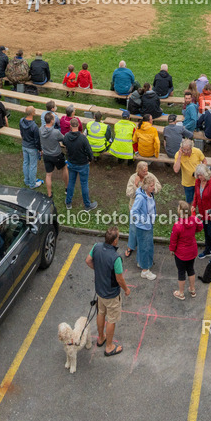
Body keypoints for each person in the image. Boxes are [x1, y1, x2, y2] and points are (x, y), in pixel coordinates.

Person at [86, 226, 130, 357]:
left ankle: (101, 338)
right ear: (115, 241)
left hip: (99, 291)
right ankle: (109, 347)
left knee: (101, 313)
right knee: (112, 319)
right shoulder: (116, 258)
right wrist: (126, 289)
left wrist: (98, 270)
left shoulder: (96, 247)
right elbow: (119, 278)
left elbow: (88, 260)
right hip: (111, 294)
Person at [169, 201, 202, 300]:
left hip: (181, 254)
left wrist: (172, 249)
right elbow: (200, 227)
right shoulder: (194, 220)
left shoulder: (177, 225)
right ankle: (192, 289)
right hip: (192, 251)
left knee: (181, 272)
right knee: (191, 269)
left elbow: (173, 240)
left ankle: (181, 293)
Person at [64, 121, 97, 211]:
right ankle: (87, 205)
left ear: (70, 126)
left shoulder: (66, 136)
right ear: (78, 125)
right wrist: (90, 160)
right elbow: (89, 151)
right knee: (84, 184)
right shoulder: (83, 138)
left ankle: (68, 202)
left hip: (71, 163)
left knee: (71, 182)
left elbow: (64, 144)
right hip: (83, 165)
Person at [191, 163, 211, 257]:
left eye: (201, 175)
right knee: (206, 233)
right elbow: (196, 194)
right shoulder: (198, 182)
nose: (199, 177)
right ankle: (208, 250)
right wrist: (194, 205)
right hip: (202, 213)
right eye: (198, 175)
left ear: (206, 174)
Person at [39, 111, 67, 202]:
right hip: (57, 155)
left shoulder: (40, 129)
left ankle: (49, 194)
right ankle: (67, 188)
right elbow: (63, 139)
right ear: (51, 121)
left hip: (46, 155)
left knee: (48, 174)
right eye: (54, 118)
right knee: (64, 168)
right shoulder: (56, 132)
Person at [173, 138, 205, 203]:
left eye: (188, 150)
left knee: (201, 199)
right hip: (188, 183)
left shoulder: (197, 151)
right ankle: (190, 211)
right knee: (189, 201)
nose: (186, 152)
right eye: (184, 150)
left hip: (199, 181)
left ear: (191, 148)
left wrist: (202, 170)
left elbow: (204, 161)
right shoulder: (178, 154)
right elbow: (176, 170)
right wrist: (179, 156)